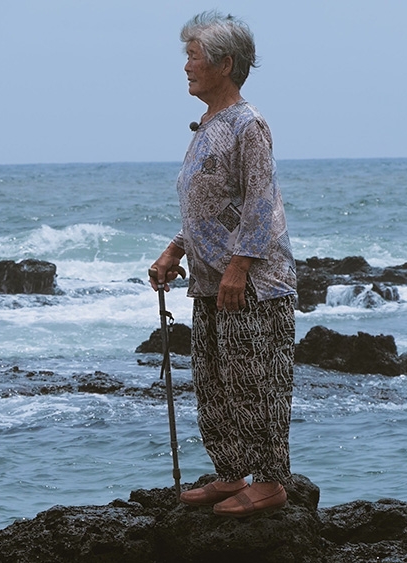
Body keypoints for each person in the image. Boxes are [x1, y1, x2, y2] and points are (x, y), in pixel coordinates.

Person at [149, 10, 297, 518]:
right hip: (212, 281)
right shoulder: (208, 125)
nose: (186, 66)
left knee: (258, 383)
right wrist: (176, 249)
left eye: (194, 56)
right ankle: (231, 473)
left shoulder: (247, 124)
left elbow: (259, 202)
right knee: (213, 383)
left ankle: (272, 482)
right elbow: (210, 204)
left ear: (225, 64)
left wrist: (239, 268)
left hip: (253, 284)